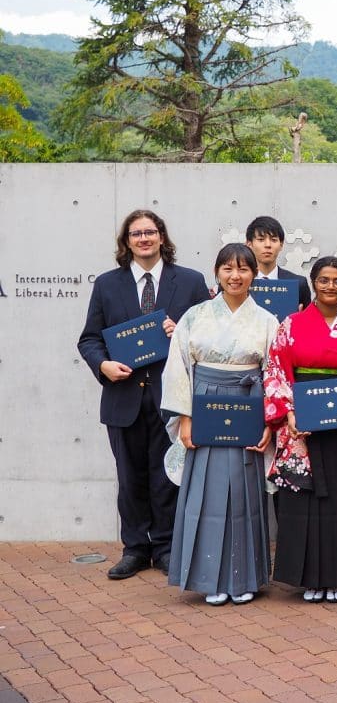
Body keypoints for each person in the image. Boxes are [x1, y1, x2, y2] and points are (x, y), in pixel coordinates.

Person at [78, 209, 210, 580]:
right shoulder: (107, 284)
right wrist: (102, 366)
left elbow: (207, 337)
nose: (144, 239)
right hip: (124, 398)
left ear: (163, 238)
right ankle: (135, 548)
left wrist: (180, 331)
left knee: (166, 476)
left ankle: (166, 547)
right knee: (129, 478)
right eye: (136, 234)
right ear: (126, 242)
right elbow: (89, 338)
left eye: (150, 232)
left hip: (172, 399)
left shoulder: (190, 281)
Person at [263, 256, 337, 603]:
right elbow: (275, 371)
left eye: (336, 281)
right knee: (305, 499)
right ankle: (309, 578)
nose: (330, 286)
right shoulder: (291, 324)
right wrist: (287, 411)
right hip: (304, 424)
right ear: (313, 283)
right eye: (323, 280)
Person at [161, 244, 278, 605]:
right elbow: (178, 367)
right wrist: (185, 418)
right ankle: (209, 580)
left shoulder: (267, 321)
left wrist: (269, 424)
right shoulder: (195, 317)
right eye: (228, 268)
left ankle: (244, 577)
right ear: (217, 272)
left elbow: (274, 374)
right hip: (204, 409)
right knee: (207, 495)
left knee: (244, 497)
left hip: (248, 408)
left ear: (254, 276)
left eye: (244, 269)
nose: (235, 276)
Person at [245, 215, 312, 309]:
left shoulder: (298, 284)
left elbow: (307, 321)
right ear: (249, 244)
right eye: (261, 239)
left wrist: (299, 319)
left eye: (273, 240)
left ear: (281, 245)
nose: (268, 245)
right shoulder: (237, 282)